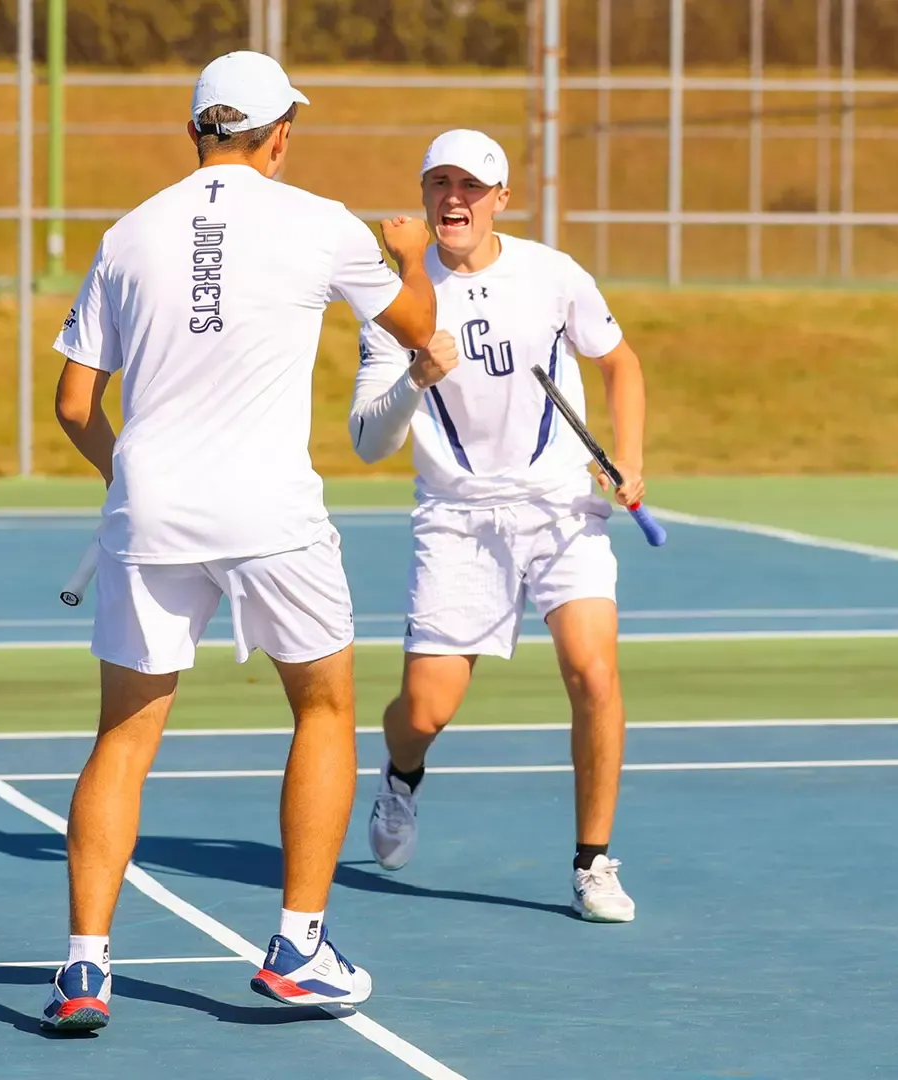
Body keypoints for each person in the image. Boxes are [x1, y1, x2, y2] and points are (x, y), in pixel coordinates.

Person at [40, 51, 441, 1032]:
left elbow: (73, 404)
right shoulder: (321, 224)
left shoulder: (128, 233)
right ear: (281, 135)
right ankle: (299, 945)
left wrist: (128, 477)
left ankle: (85, 968)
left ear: (195, 134)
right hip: (269, 510)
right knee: (325, 707)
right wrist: (410, 255)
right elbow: (423, 326)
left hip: (153, 507)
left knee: (125, 736)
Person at [349, 129, 649, 923]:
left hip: (559, 508)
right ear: (423, 196)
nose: (455, 198)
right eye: (440, 183)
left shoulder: (552, 275)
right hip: (457, 519)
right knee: (424, 711)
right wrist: (416, 375)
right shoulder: (395, 303)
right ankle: (400, 777)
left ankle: (593, 863)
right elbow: (369, 442)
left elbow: (620, 362)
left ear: (500, 200)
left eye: (472, 186)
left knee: (594, 672)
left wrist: (627, 456)